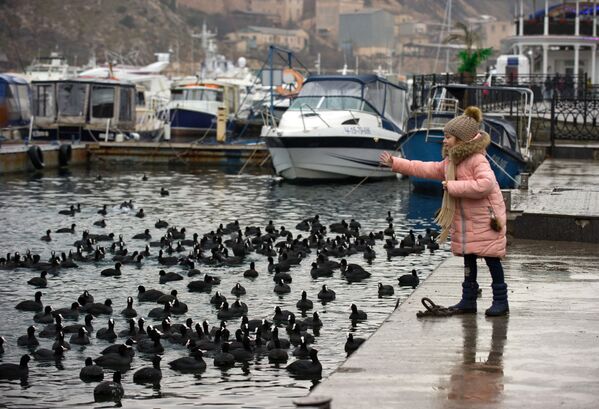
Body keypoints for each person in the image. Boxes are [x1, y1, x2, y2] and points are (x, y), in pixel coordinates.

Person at [379, 106, 509, 316]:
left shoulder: (478, 160)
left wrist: (453, 187)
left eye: (448, 137)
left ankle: (501, 302)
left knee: (492, 259)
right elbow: (424, 168)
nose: (444, 140)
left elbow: (486, 184)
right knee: (469, 260)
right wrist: (395, 163)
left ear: (462, 140)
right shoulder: (451, 162)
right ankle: (468, 301)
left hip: (485, 219)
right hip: (468, 222)